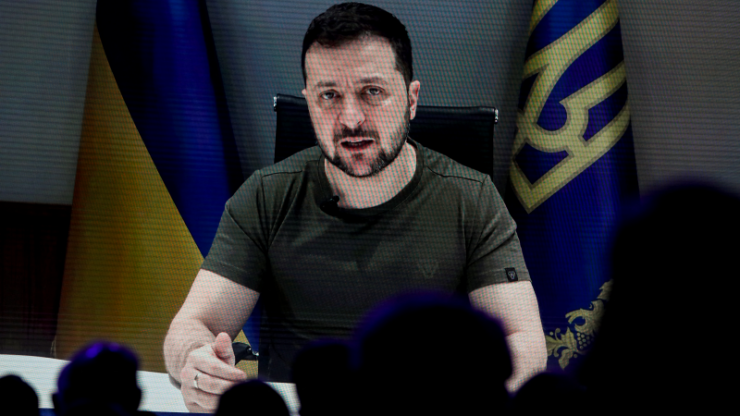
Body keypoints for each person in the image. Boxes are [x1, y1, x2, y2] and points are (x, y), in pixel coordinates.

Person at [164, 2, 546, 412]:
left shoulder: (473, 199)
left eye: (372, 92)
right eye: (329, 95)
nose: (350, 119)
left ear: (411, 100)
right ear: (310, 102)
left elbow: (524, 341)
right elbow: (191, 326)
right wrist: (196, 361)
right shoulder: (265, 196)